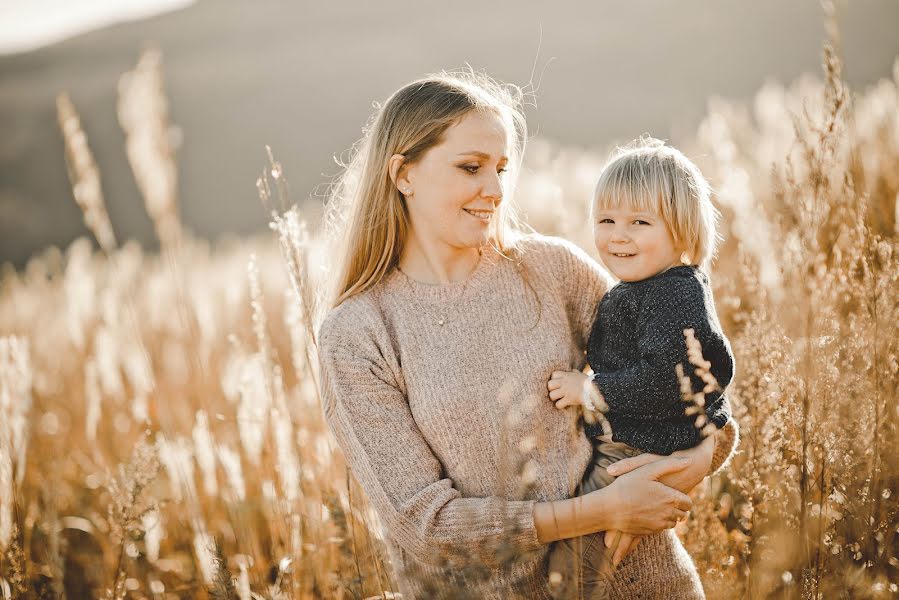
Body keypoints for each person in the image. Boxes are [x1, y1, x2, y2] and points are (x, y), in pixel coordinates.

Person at [317, 72, 739, 600]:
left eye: (500, 168)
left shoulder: (550, 269)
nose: (494, 190)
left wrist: (701, 456)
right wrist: (605, 508)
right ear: (404, 174)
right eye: (471, 168)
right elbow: (425, 525)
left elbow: (692, 380)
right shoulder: (359, 333)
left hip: (643, 583)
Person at [546, 138, 735, 599]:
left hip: (634, 450)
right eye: (606, 220)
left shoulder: (673, 294)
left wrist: (588, 390)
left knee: (571, 568)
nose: (618, 236)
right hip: (635, 444)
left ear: (682, 230)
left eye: (639, 223)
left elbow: (667, 381)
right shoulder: (646, 287)